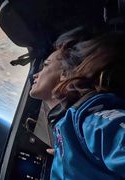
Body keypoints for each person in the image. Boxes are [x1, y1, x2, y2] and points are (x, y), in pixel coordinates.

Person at [30, 28, 125, 179]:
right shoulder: (71, 132)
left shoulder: (94, 123)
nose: (36, 74)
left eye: (46, 65)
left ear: (65, 74)